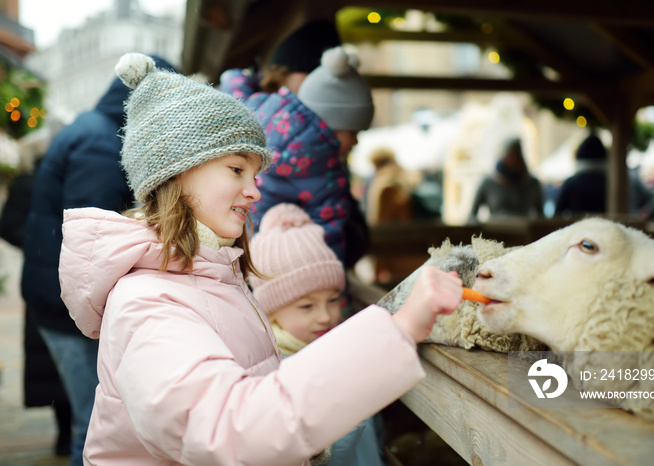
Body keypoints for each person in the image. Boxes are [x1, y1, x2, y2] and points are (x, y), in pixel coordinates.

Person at [57, 53, 462, 466]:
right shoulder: (148, 303)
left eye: (255, 174)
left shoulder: (212, 274)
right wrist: (398, 329)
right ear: (177, 172)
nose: (254, 190)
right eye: (236, 169)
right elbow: (230, 432)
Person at [20, 55, 174, 466]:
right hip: (68, 307)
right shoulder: (101, 143)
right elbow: (96, 238)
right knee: (96, 428)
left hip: (54, 297)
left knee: (91, 421)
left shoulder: (94, 129)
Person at [249, 202, 386, 466]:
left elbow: (375, 435)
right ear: (272, 311)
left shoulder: (343, 352)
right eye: (307, 306)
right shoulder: (276, 374)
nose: (325, 316)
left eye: (333, 300)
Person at [220, 44, 373, 269]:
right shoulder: (326, 171)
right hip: (274, 265)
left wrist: (236, 76)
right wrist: (337, 295)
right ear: (334, 124)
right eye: (354, 132)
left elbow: (234, 88)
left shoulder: (258, 110)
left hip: (233, 249)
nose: (356, 142)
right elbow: (329, 243)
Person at [0, 116, 72, 457]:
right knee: (58, 357)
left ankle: (66, 431)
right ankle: (65, 432)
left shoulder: (37, 179)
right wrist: (39, 245)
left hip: (43, 279)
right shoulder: (40, 180)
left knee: (53, 359)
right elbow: (9, 225)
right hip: (55, 277)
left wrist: (36, 247)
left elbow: (7, 225)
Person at [555, 134, 651, 216]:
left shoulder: (571, 183)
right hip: (608, 234)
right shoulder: (614, 182)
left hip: (578, 235)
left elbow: (557, 214)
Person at [468, 138, 543, 223]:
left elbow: (541, 218)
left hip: (525, 233)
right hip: (495, 232)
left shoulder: (532, 184)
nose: (514, 160)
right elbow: (471, 216)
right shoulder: (488, 183)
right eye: (511, 155)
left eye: (517, 156)